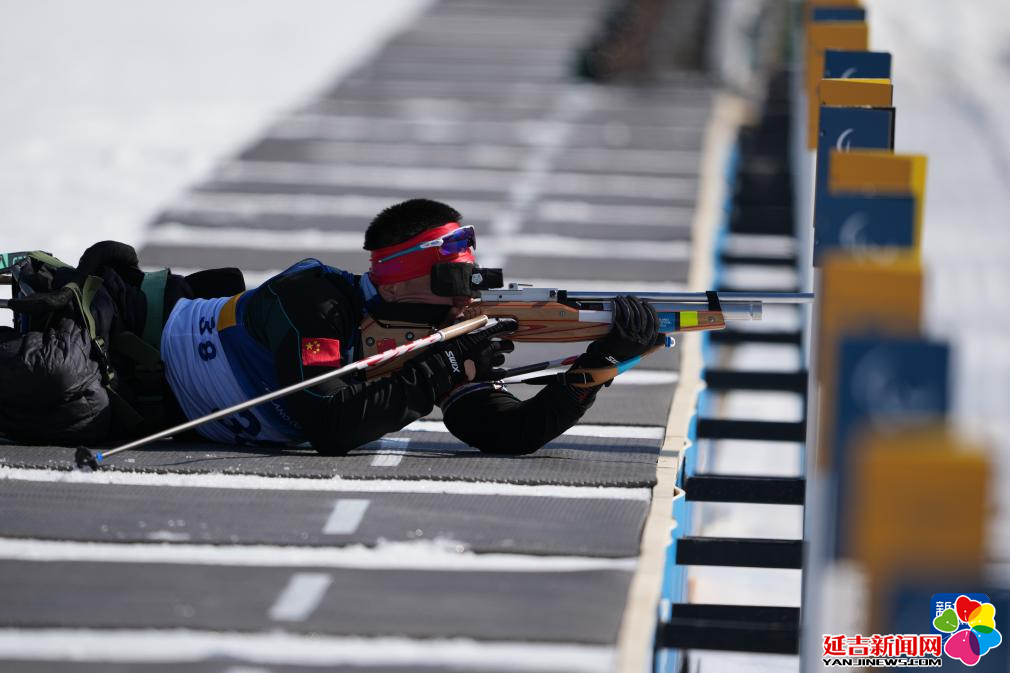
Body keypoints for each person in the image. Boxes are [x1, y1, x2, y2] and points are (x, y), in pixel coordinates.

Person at [1, 199, 660, 455]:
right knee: (57, 380)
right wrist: (436, 368)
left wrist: (604, 362)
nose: (464, 296)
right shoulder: (314, 301)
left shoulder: (439, 335)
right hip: (119, 345)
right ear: (397, 281)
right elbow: (331, 425)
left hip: (144, 403)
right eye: (451, 280)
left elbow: (506, 432)